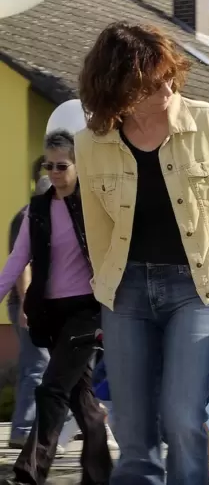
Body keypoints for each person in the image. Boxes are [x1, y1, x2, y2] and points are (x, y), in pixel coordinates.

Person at [75, 22, 209, 485]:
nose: (169, 86)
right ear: (122, 88)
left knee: (181, 418)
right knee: (133, 433)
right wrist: (103, 292)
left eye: (171, 74)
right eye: (155, 82)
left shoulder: (206, 121)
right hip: (125, 294)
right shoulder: (89, 143)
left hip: (197, 289)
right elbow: (97, 232)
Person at [0, 131, 113, 485]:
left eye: (62, 166)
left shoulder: (95, 204)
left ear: (79, 166)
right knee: (82, 398)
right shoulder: (36, 210)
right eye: (48, 166)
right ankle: (100, 475)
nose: (54, 173)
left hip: (88, 311)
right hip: (51, 314)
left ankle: (29, 471)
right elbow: (18, 258)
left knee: (51, 388)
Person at [6, 176, 52, 451]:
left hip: (52, 304)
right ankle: (22, 430)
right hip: (29, 302)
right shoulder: (28, 216)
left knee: (64, 365)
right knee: (37, 365)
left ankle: (70, 425)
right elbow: (21, 264)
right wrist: (26, 306)